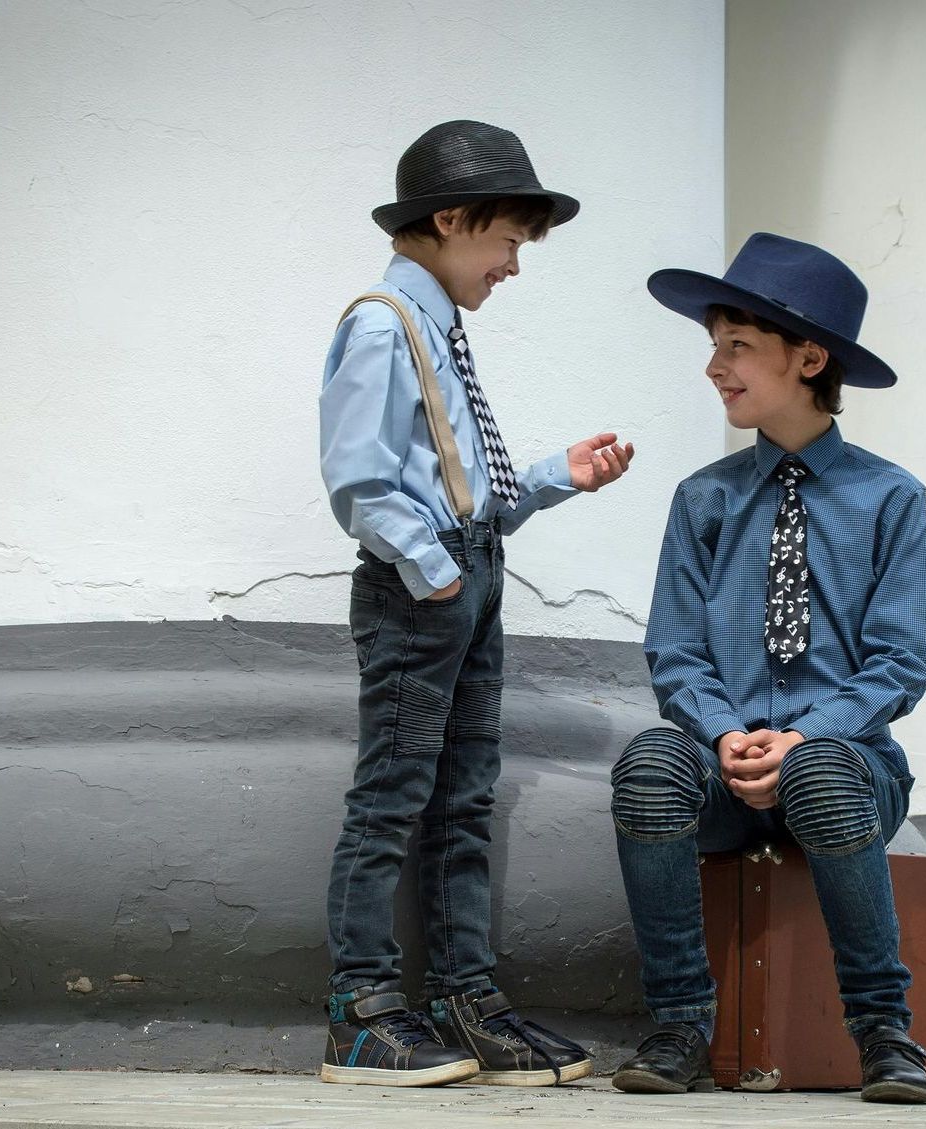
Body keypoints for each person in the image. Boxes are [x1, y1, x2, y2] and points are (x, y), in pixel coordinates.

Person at [318, 120, 633, 1087]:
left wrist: (552, 475)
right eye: (505, 242)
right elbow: (361, 481)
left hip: (467, 570)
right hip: (425, 590)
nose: (511, 266)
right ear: (450, 221)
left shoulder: (439, 327)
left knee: (463, 800)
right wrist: (434, 568)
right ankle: (362, 1011)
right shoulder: (381, 323)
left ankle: (464, 994)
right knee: (393, 798)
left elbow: (460, 478)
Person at [609, 233, 926, 1104]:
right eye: (713, 346)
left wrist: (799, 740)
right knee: (647, 763)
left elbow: (900, 663)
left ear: (809, 356)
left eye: (736, 346)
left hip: (845, 769)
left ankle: (883, 1032)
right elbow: (674, 652)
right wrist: (724, 735)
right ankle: (680, 1024)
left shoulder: (891, 498)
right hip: (723, 765)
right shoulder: (703, 498)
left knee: (826, 771)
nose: (714, 366)